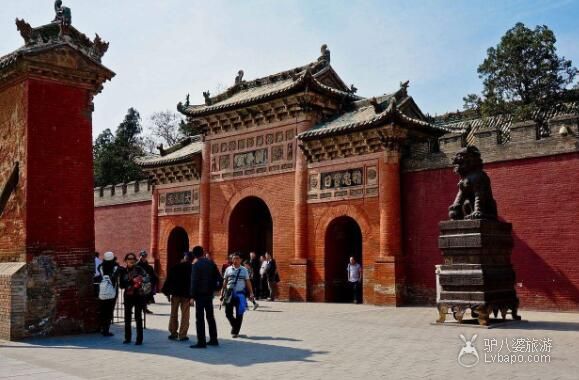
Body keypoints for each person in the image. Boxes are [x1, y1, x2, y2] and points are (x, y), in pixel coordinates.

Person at [190, 246, 222, 348]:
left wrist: (192, 296)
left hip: (199, 295)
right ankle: (213, 339)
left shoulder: (196, 265)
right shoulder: (211, 263)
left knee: (200, 318)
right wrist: (216, 288)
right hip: (209, 294)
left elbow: (194, 281)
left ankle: (201, 341)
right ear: (203, 253)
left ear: (194, 254)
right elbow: (219, 277)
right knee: (210, 317)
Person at [221, 252, 255, 338]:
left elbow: (248, 282)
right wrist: (222, 293)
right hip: (229, 294)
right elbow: (225, 281)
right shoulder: (228, 269)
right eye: (233, 258)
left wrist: (251, 293)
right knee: (228, 313)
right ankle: (235, 325)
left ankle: (235, 331)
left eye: (237, 258)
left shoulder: (244, 270)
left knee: (239, 313)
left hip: (240, 295)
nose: (235, 260)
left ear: (240, 260)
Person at [162, 251, 193, 341]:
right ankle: (182, 335)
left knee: (173, 313)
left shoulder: (175, 267)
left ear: (183, 258)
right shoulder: (192, 268)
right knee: (185, 315)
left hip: (175, 294)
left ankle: (173, 333)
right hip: (186, 295)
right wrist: (193, 296)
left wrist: (167, 293)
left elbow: (169, 281)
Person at [119, 252, 149, 345]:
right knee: (127, 318)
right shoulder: (123, 271)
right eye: (129, 259)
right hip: (128, 296)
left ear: (135, 260)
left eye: (132, 259)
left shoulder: (139, 269)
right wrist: (131, 282)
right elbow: (121, 285)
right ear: (126, 260)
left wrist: (140, 281)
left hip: (139, 296)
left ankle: (139, 339)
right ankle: (127, 338)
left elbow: (147, 279)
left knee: (138, 317)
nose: (131, 260)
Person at [97, 251, 119, 337]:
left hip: (102, 290)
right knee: (109, 311)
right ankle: (106, 329)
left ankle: (101, 328)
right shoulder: (116, 267)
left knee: (103, 310)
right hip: (112, 291)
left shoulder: (101, 267)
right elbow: (117, 275)